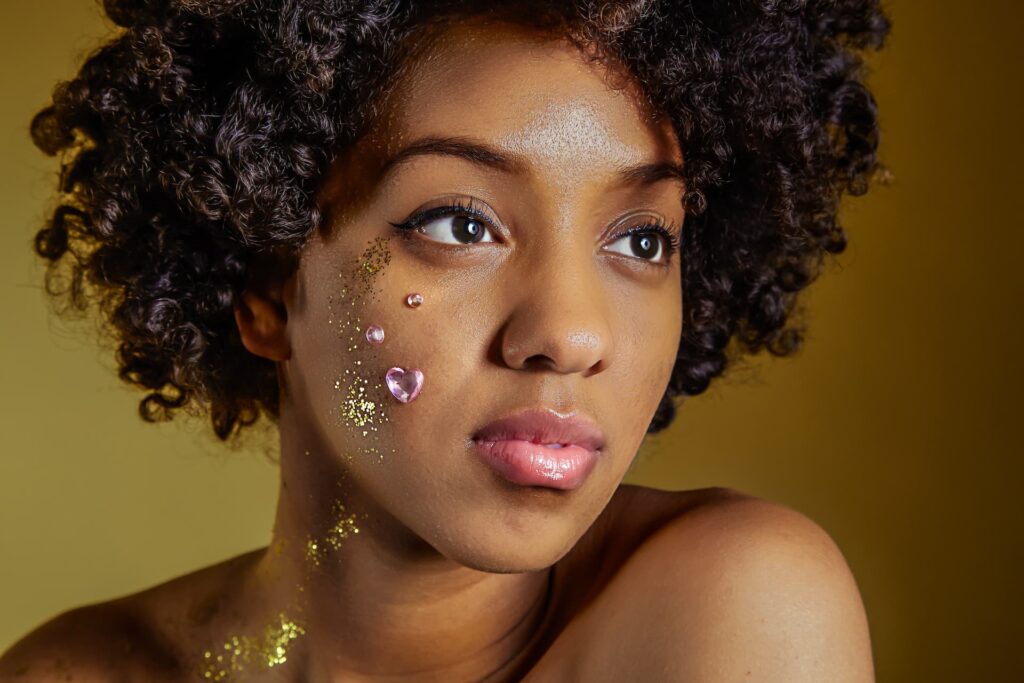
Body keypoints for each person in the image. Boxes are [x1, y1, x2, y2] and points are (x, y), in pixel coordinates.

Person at [0, 0, 891, 680]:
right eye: (461, 225)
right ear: (267, 283)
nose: (571, 334)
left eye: (641, 238)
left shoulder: (732, 605)